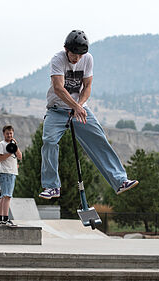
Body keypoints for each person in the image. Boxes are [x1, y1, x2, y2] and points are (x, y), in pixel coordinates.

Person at [39, 30, 138, 200]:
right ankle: (52, 186)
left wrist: (80, 106)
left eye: (80, 55)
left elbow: (87, 87)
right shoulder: (57, 59)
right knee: (49, 141)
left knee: (99, 139)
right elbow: (58, 88)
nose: (77, 58)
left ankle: (120, 180)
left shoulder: (88, 59)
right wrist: (76, 106)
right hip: (57, 109)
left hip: (79, 108)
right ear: (66, 49)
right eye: (74, 54)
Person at [0, 125, 22, 226]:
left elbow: (20, 157)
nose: (9, 135)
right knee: (7, 196)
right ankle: (5, 218)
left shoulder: (13, 145)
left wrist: (15, 146)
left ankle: (0, 218)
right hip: (5, 172)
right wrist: (9, 152)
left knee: (4, 196)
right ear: (3, 134)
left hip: (12, 172)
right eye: (7, 133)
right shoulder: (1, 145)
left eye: (11, 133)